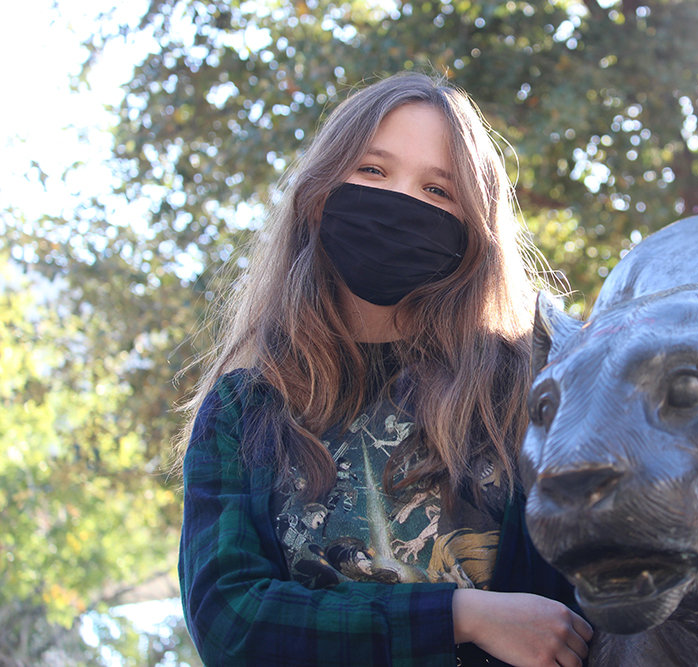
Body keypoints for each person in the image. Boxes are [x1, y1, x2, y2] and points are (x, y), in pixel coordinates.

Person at [177, 72, 593, 667]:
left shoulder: (532, 386)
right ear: (320, 194)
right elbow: (230, 620)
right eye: (373, 171)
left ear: (474, 229)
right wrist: (459, 618)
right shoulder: (244, 408)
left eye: (438, 191)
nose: (401, 202)